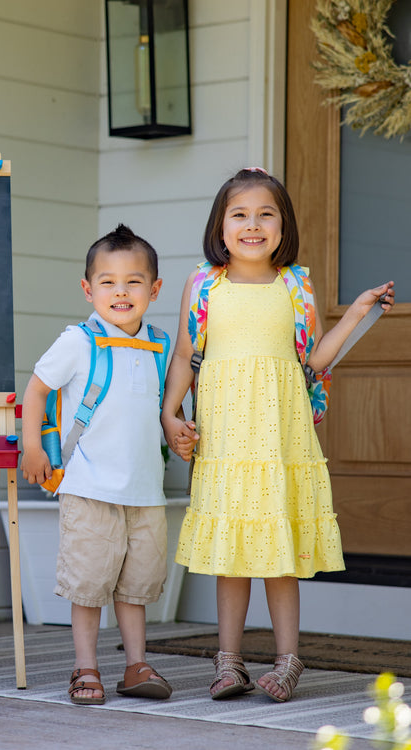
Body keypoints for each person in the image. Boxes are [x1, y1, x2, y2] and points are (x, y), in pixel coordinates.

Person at [162, 167, 395, 703]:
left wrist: (356, 311)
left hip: (278, 440)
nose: (252, 225)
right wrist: (170, 412)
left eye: (266, 214)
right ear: (220, 227)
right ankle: (229, 662)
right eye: (239, 214)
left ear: (282, 224)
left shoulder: (295, 283)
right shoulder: (204, 283)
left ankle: (289, 660)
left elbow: (313, 359)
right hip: (225, 442)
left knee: (278, 555)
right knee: (233, 556)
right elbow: (184, 354)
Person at [20, 224, 172, 706]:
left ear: (154, 289)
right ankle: (85, 667)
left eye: (133, 281)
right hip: (88, 487)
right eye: (107, 281)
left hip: (145, 491)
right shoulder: (78, 341)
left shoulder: (162, 348)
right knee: (88, 586)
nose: (120, 292)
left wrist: (180, 431)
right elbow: (37, 389)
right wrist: (32, 448)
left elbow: (165, 408)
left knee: (135, 587)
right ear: (88, 289)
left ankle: (136, 664)